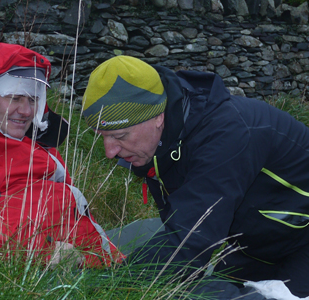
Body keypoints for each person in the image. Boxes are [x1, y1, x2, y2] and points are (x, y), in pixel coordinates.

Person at [82, 55, 309, 298]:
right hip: (255, 245)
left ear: (158, 117)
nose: (109, 152)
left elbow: (188, 239)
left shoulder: (226, 135)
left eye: (119, 136)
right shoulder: (169, 136)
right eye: (101, 135)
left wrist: (106, 286)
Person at [0, 43, 123, 268]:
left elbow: (79, 222)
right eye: (15, 98)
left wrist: (101, 263)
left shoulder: (45, 150)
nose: (26, 111)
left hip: (94, 266)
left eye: (33, 99)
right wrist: (41, 252)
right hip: (20, 272)